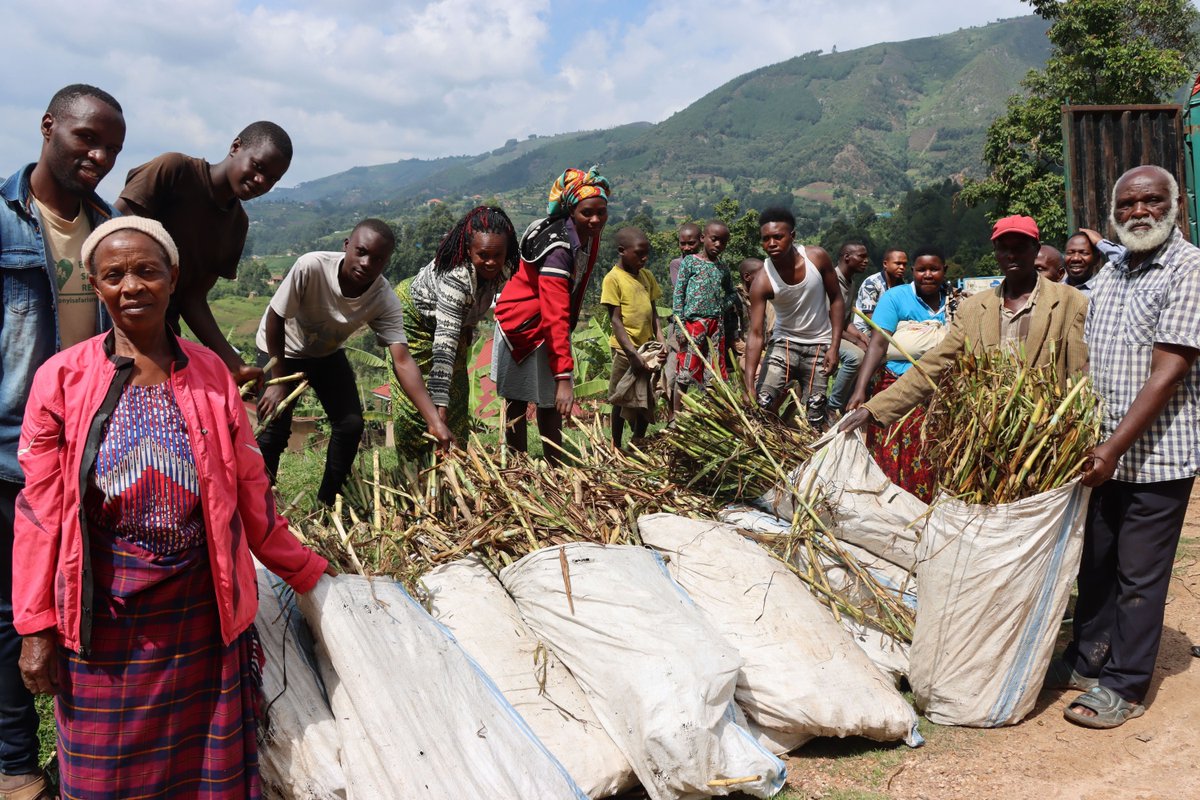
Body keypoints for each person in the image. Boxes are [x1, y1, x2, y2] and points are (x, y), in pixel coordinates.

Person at [13, 217, 332, 798]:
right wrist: (35, 626)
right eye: (114, 275)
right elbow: (40, 513)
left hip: (200, 607)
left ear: (172, 277)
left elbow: (248, 487)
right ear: (94, 283)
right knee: (100, 776)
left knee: (202, 775)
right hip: (101, 612)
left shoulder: (209, 373)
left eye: (146, 270)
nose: (131, 285)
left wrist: (304, 568)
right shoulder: (60, 379)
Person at [0, 83, 125, 800]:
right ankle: (17, 763)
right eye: (86, 138)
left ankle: (88, 749)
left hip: (91, 451)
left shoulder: (109, 225)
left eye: (110, 146)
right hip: (11, 450)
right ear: (48, 126)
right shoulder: (6, 220)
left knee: (81, 599)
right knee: (9, 616)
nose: (99, 155)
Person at [1050, 166, 1200, 729]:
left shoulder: (1189, 269)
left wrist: (1111, 448)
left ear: (1175, 205)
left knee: (1140, 573)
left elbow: (1169, 371)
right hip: (1100, 450)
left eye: (1152, 201)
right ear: (1114, 213)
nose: (1140, 212)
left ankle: (1127, 684)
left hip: (1156, 455)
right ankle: (1088, 657)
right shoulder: (1113, 271)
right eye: (1129, 204)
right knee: (1098, 560)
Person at [256, 219, 451, 505]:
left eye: (377, 258)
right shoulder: (311, 266)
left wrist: (434, 420)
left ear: (385, 262)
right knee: (274, 428)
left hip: (325, 353)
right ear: (346, 246)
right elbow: (275, 317)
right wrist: (277, 380)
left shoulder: (383, 297)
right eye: (360, 251)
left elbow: (403, 360)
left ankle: (328, 503)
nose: (366, 263)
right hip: (281, 349)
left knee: (350, 425)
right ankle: (260, 504)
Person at [840, 215, 1088, 439]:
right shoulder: (974, 309)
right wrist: (874, 409)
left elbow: (1080, 377)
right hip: (988, 435)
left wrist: (1079, 436)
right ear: (996, 252)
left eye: (1020, 247)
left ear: (1035, 248)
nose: (1012, 255)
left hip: (1046, 436)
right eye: (1004, 248)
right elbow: (934, 364)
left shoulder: (1070, 302)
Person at [116, 122, 293, 387]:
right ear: (235, 147)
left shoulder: (236, 225)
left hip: (160, 337)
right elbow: (110, 233)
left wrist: (233, 364)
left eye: (272, 179)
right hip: (113, 324)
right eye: (258, 167)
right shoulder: (174, 170)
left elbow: (193, 298)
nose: (261, 182)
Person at [492, 167, 610, 464]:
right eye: (587, 213)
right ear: (571, 209)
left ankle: (554, 465)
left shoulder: (584, 234)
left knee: (546, 401)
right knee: (523, 400)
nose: (595, 219)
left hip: (542, 321)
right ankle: (518, 466)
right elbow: (554, 312)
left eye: (601, 212)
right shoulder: (558, 248)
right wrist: (564, 376)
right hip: (523, 325)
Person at [392, 206, 519, 459]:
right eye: (483, 255)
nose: (491, 262)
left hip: (454, 324)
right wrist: (438, 413)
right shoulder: (456, 279)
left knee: (458, 394)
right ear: (468, 251)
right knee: (415, 408)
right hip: (415, 320)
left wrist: (468, 325)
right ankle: (414, 471)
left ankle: (454, 464)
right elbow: (444, 351)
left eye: (498, 255)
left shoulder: (505, 268)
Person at [846, 248, 954, 502]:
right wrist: (860, 388)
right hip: (896, 385)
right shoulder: (896, 298)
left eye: (934, 269)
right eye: (921, 269)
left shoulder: (954, 301)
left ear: (944, 271)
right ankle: (892, 503)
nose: (927, 275)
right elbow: (879, 343)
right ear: (913, 272)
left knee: (933, 450)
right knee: (892, 449)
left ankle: (930, 504)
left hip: (940, 390)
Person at [744, 207, 843, 426]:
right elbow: (756, 333)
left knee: (815, 416)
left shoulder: (817, 258)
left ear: (793, 236)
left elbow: (836, 299)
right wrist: (749, 384)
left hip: (819, 347)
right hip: (784, 346)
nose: (771, 243)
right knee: (761, 406)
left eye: (778, 237)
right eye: (766, 239)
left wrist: (834, 347)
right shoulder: (763, 280)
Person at [601, 227, 664, 447]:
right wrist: (631, 353)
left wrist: (661, 342)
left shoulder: (647, 276)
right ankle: (616, 445)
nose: (644, 258)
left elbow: (654, 313)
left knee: (645, 398)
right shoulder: (613, 279)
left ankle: (638, 440)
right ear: (622, 251)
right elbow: (616, 321)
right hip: (625, 350)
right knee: (620, 397)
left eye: (647, 253)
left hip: (648, 350)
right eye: (639, 253)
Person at [672, 220, 733, 413]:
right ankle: (675, 417)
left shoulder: (723, 268)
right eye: (714, 240)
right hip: (693, 324)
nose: (718, 245)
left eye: (722, 242)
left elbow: (731, 293)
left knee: (713, 372)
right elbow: (678, 293)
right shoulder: (690, 262)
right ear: (703, 238)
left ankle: (710, 415)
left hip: (716, 326)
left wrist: (722, 306)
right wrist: (679, 323)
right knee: (686, 370)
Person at [829, 242, 871, 418]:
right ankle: (832, 406)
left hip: (838, 332)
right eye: (861, 256)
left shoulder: (850, 282)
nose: (866, 261)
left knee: (871, 350)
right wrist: (855, 341)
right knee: (856, 357)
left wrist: (862, 336)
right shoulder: (831, 280)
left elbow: (845, 320)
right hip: (823, 334)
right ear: (847, 257)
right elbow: (828, 321)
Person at [666, 223, 703, 420]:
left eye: (691, 243)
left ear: (702, 240)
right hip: (681, 324)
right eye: (683, 243)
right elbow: (684, 293)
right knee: (675, 371)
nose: (687, 247)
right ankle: (673, 417)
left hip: (703, 325)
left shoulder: (708, 263)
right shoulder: (677, 264)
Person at [853, 248, 907, 336]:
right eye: (898, 263)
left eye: (904, 264)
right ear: (885, 264)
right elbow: (870, 316)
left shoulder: (901, 285)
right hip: (866, 330)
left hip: (890, 329)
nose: (902, 267)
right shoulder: (872, 283)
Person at [1063, 230, 1106, 297]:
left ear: (1096, 259)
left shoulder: (1103, 292)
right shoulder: (1055, 291)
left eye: (1084, 253)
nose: (1075, 258)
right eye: (1070, 252)